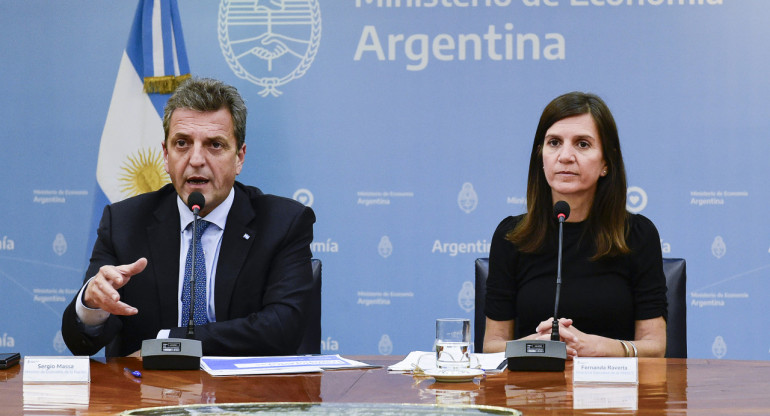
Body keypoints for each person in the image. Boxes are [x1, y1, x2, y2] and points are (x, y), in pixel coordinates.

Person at [62, 77, 316, 357]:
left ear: (239, 157)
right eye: (182, 143)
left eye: (215, 145)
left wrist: (169, 343)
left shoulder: (283, 223)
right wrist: (91, 304)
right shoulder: (124, 223)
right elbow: (80, 343)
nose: (196, 159)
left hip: (246, 395)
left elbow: (283, 328)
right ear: (166, 155)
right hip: (148, 397)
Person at [483, 92, 667, 358]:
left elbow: (656, 346)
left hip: (614, 394)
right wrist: (538, 343)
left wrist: (600, 347)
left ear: (606, 162)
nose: (565, 156)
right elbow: (490, 347)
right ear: (541, 156)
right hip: (533, 393)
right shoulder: (511, 236)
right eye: (554, 143)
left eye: (582, 144)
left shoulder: (637, 235)